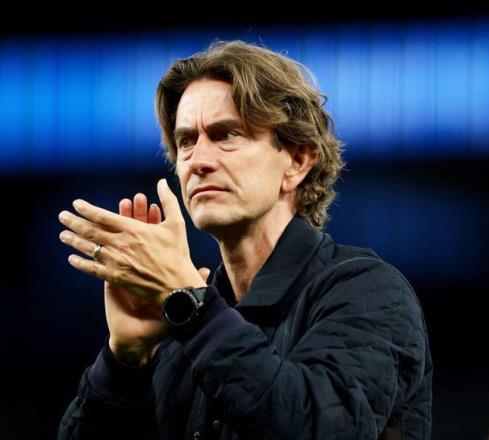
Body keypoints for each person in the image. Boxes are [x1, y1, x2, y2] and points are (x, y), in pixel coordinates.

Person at [57, 40, 432, 439]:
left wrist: (191, 305)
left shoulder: (369, 291)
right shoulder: (177, 332)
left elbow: (321, 427)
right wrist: (124, 361)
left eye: (226, 134)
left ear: (297, 161)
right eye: (186, 141)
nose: (198, 161)